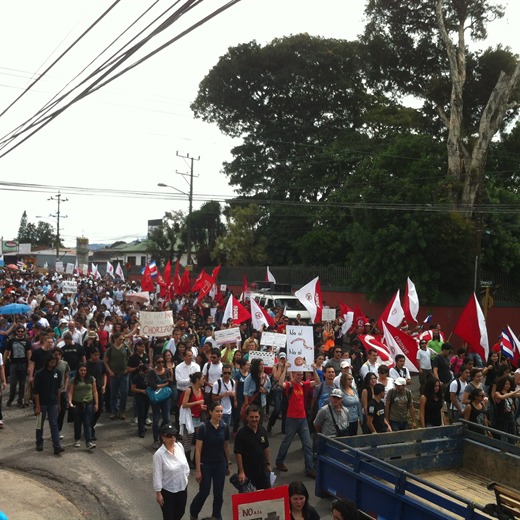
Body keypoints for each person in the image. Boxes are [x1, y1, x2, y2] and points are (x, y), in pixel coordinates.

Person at [275, 364, 320, 478]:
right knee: (287, 442)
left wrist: (314, 369)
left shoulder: (304, 385)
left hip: (302, 419)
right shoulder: (290, 385)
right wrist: (285, 368)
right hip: (292, 419)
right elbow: (280, 384)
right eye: (298, 374)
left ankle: (309, 468)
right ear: (293, 374)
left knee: (307, 444)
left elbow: (317, 382)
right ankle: (279, 462)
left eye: (301, 374)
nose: (300, 376)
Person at [189, 401, 231, 520]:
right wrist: (198, 470)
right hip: (206, 464)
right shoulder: (204, 427)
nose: (220, 413)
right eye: (217, 411)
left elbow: (226, 446)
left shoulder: (224, 426)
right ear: (210, 412)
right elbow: (198, 450)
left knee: (219, 494)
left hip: (220, 464)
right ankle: (194, 511)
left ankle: (216, 515)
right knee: (204, 491)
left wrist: (228, 464)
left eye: (221, 411)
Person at [152, 423, 190, 520]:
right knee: (169, 516)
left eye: (174, 435)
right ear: (163, 437)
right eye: (169, 436)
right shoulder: (159, 455)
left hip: (182, 487)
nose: (173, 438)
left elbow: (185, 465)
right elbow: (157, 475)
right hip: (168, 490)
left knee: (181, 511)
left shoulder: (179, 446)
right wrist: (158, 493)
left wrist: (186, 477)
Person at [234, 404, 272, 490]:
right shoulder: (241, 433)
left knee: (266, 496)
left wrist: (268, 464)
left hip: (262, 471)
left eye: (256, 417)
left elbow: (266, 447)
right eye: (251, 417)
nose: (254, 419)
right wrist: (241, 472)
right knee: (249, 500)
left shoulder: (262, 430)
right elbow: (238, 453)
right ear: (247, 417)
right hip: (248, 472)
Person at [33, 352, 64, 454]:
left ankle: (56, 445)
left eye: (54, 362)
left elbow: (58, 389)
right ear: (47, 362)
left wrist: (59, 403)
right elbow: (36, 391)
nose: (52, 364)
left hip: (53, 402)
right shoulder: (39, 373)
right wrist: (37, 406)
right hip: (42, 403)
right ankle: (39, 442)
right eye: (51, 362)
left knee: (54, 423)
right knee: (39, 424)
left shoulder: (57, 372)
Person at [68, 363, 98, 449]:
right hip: (77, 404)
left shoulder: (91, 379)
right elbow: (70, 392)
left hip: (88, 403)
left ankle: (89, 442)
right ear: (78, 371)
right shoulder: (74, 380)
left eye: (84, 370)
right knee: (77, 422)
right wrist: (70, 402)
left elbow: (95, 391)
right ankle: (77, 439)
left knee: (87, 423)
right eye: (81, 370)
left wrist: (96, 403)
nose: (83, 372)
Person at [180, 371, 207, 468]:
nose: (204, 380)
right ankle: (187, 460)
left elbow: (199, 403)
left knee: (199, 438)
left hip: (198, 417)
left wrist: (202, 406)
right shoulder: (189, 390)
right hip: (189, 418)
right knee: (188, 439)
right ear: (197, 380)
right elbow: (184, 404)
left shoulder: (201, 390)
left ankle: (196, 460)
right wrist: (198, 402)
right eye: (203, 378)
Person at [104, 331, 132, 420]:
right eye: (120, 339)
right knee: (113, 394)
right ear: (115, 339)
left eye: (123, 339)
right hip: (114, 374)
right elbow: (105, 361)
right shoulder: (110, 349)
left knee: (124, 393)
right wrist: (109, 371)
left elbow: (130, 358)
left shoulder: (126, 348)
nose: (122, 341)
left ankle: (122, 410)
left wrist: (128, 369)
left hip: (124, 374)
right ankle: (114, 410)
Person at [148, 355, 174, 450]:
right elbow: (153, 386)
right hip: (156, 398)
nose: (161, 364)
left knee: (167, 418)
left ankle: (163, 435)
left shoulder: (167, 371)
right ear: (155, 363)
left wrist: (171, 375)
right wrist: (165, 384)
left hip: (166, 398)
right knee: (156, 418)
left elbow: (171, 382)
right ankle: (156, 439)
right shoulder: (152, 373)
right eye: (159, 362)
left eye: (162, 362)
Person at [4, 325, 32, 408]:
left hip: (23, 364)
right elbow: (6, 352)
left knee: (22, 384)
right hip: (13, 364)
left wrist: (29, 366)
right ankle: (11, 398)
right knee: (13, 383)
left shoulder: (27, 341)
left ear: (24, 332)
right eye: (18, 331)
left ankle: (20, 400)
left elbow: (29, 354)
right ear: (16, 331)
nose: (20, 333)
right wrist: (4, 363)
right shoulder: (11, 341)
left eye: (22, 331)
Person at [492, 375, 519, 443]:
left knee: (512, 435)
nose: (508, 385)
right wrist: (515, 392)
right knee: (502, 435)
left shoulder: (510, 393)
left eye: (509, 384)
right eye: (506, 384)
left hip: (510, 417)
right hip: (501, 418)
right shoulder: (497, 393)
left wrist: (514, 393)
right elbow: (502, 397)